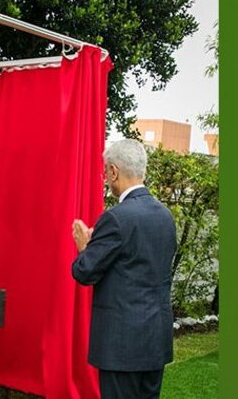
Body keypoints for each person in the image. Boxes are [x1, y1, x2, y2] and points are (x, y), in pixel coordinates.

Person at [71, 139, 177, 399]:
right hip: (155, 339)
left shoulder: (116, 218)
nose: (106, 178)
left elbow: (84, 272)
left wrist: (85, 247)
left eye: (106, 171)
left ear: (114, 171)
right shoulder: (165, 216)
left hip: (122, 345)